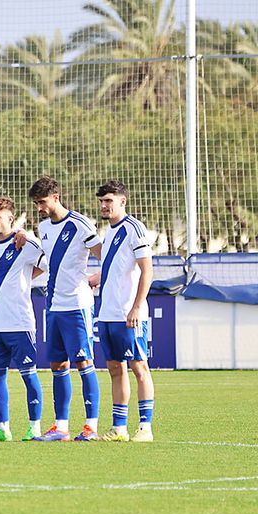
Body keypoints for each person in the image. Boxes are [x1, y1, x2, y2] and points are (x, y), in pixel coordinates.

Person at [29, 176, 104, 442]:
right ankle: (61, 427)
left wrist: (97, 277)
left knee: (84, 362)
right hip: (54, 305)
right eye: (37, 203)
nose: (40, 207)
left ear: (56, 197)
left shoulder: (80, 224)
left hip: (76, 304)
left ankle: (91, 427)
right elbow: (48, 262)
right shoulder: (43, 227)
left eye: (43, 202)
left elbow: (104, 255)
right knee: (57, 364)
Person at [90, 179, 156, 442]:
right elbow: (117, 267)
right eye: (102, 201)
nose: (104, 206)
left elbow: (147, 270)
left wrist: (137, 307)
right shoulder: (110, 232)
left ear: (122, 201)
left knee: (139, 367)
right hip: (107, 314)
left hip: (128, 314)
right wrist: (97, 276)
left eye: (109, 200)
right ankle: (119, 428)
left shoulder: (134, 228)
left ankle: (145, 427)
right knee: (115, 368)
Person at [0, 197, 46, 442]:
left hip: (20, 323)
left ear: (10, 218)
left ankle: (34, 427)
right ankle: (2, 429)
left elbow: (49, 263)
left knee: (29, 374)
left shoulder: (25, 244)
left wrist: (26, 274)